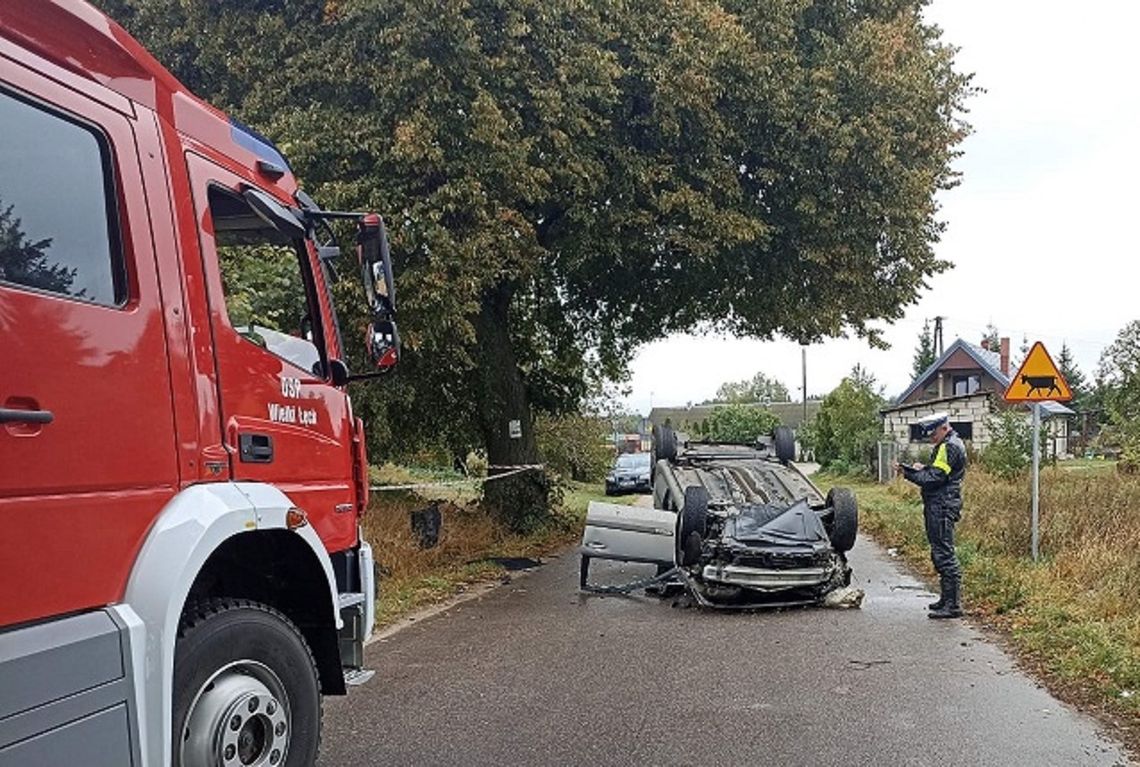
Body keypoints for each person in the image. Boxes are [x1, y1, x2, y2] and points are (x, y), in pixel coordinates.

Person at [894, 412, 967, 619]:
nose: (930, 438)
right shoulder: (952, 442)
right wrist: (922, 468)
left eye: (933, 434)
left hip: (942, 504)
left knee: (944, 553)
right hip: (942, 502)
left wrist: (907, 472)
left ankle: (952, 605)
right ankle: (946, 599)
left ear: (944, 428)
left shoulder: (948, 446)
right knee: (940, 550)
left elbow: (934, 479)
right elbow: (939, 472)